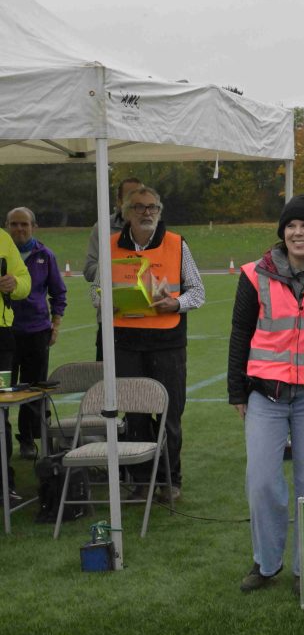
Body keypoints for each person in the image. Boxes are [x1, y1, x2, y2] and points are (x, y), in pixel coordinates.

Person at [228, 195, 304, 594]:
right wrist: (236, 389)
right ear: (282, 232)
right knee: (262, 481)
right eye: (291, 226)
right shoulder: (254, 274)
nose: (297, 232)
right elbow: (241, 332)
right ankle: (266, 562)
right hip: (264, 395)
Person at [91, 185, 206, 502]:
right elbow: (96, 292)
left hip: (167, 342)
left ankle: (171, 480)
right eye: (139, 207)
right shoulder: (110, 244)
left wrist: (176, 304)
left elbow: (198, 292)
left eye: (152, 207)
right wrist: (105, 302)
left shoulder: (177, 244)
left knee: (169, 414)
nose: (147, 213)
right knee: (136, 415)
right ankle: (142, 480)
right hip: (125, 342)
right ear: (126, 213)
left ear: (160, 210)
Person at [5, 207, 67, 460]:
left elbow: (58, 292)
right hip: (4, 331)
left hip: (36, 331)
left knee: (33, 388)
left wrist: (56, 323)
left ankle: (29, 438)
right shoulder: (2, 254)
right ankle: (4, 441)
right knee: (4, 389)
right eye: (14, 224)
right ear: (6, 226)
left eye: (24, 224)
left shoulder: (45, 255)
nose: (19, 229)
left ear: (34, 226)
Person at [85, 177, 143, 360]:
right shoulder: (102, 227)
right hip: (112, 317)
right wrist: (120, 271)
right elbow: (89, 269)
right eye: (129, 196)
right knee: (107, 379)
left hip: (146, 318)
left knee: (143, 384)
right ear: (118, 201)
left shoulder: (153, 228)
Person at [0, 227, 30, 504]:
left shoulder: (3, 238)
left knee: (0, 413)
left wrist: (14, 284)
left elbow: (24, 281)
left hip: (2, 336)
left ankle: (4, 484)